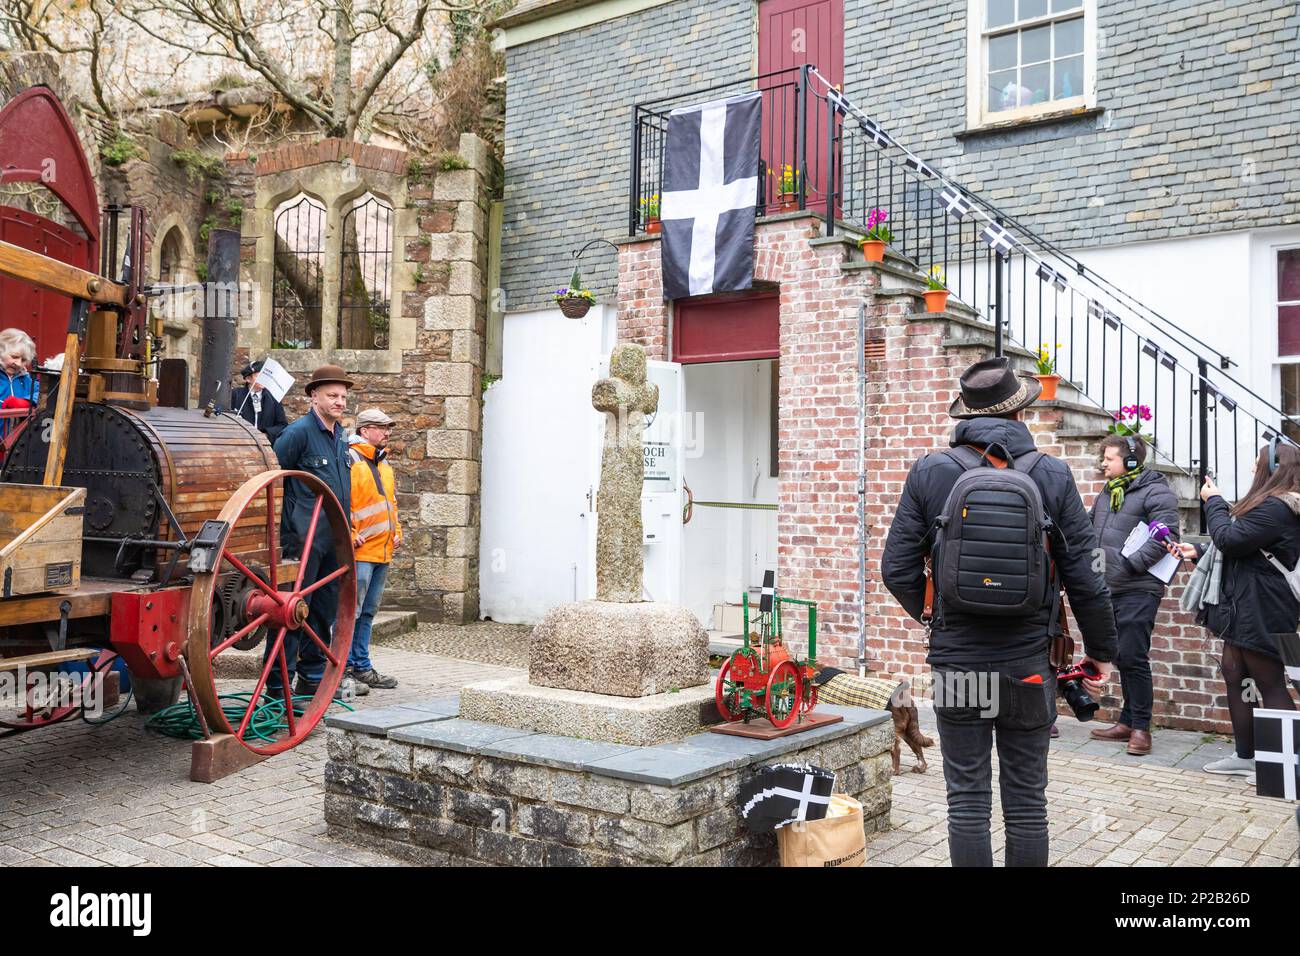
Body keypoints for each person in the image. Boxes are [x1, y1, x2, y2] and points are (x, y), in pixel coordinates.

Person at [882, 356, 1116, 867]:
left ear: (966, 414)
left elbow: (896, 569)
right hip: (1029, 664)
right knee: (1028, 802)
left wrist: (933, 612)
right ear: (1018, 415)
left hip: (957, 663)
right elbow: (1085, 578)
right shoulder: (1051, 473)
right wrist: (1100, 655)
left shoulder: (930, 471)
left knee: (966, 799)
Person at [1171, 441, 1300, 782]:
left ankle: (1282, 767)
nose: (1252, 468)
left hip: (1265, 606)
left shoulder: (1280, 507)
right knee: (1234, 672)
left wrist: (1212, 501)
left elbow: (1229, 538)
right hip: (1247, 602)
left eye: (1257, 463)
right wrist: (1200, 551)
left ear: (1272, 468)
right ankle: (1247, 755)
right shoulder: (1271, 506)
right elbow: (1244, 543)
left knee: (1269, 682)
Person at [266, 364, 367, 699]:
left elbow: (340, 490)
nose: (339, 402)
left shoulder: (340, 437)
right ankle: (278, 689)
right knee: (292, 611)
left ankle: (311, 677)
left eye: (342, 396)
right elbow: (272, 483)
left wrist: (348, 529)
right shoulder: (297, 434)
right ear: (313, 397)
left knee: (323, 611)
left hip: (332, 540)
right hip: (302, 538)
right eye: (332, 395)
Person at [1087, 434, 1181, 755]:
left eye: (1109, 458)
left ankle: (1141, 728)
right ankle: (1126, 721)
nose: (1103, 463)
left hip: (1138, 589)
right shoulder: (1108, 492)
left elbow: (1166, 536)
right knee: (1122, 656)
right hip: (1109, 588)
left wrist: (1129, 566)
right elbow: (1091, 529)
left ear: (1129, 461)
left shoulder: (1156, 492)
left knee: (1134, 657)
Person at [346, 407, 402, 690]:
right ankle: (343, 669)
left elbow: (390, 502)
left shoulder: (384, 465)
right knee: (350, 612)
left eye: (388, 427)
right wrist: (349, 532)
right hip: (360, 551)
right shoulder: (351, 460)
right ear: (364, 431)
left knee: (367, 612)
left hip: (381, 550)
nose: (387, 432)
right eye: (381, 427)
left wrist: (398, 532)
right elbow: (342, 500)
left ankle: (361, 666)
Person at [231, 360, 289, 445]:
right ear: (248, 379)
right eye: (259, 376)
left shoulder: (274, 398)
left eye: (265, 376)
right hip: (241, 444)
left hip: (265, 446)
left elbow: (282, 425)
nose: (263, 380)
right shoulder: (236, 395)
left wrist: (266, 434)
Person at [0, 328, 38, 442]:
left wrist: (26, 402)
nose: (18, 363)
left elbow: (45, 392)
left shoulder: (26, 380)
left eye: (24, 360)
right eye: (15, 357)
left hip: (16, 448)